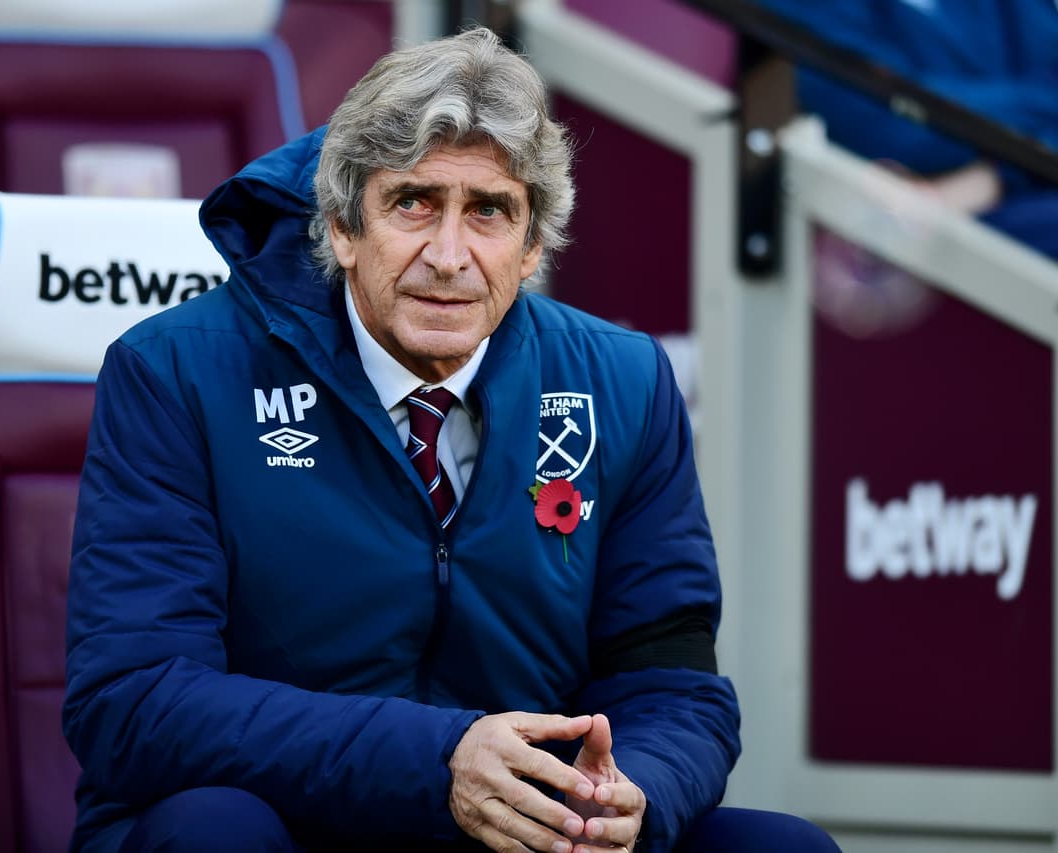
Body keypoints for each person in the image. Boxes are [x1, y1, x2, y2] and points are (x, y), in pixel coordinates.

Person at [63, 27, 839, 852]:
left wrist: (622, 798)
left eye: (489, 212)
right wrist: (438, 760)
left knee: (784, 846)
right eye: (412, 203)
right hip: (285, 819)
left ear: (533, 244)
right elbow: (135, 697)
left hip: (520, 829)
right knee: (215, 832)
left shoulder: (625, 383)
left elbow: (676, 686)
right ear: (341, 229)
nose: (448, 255)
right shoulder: (174, 371)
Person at [759, 0, 1058, 260]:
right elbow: (887, 123)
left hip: (963, 201)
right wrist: (1030, 120)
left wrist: (990, 179)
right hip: (931, 231)